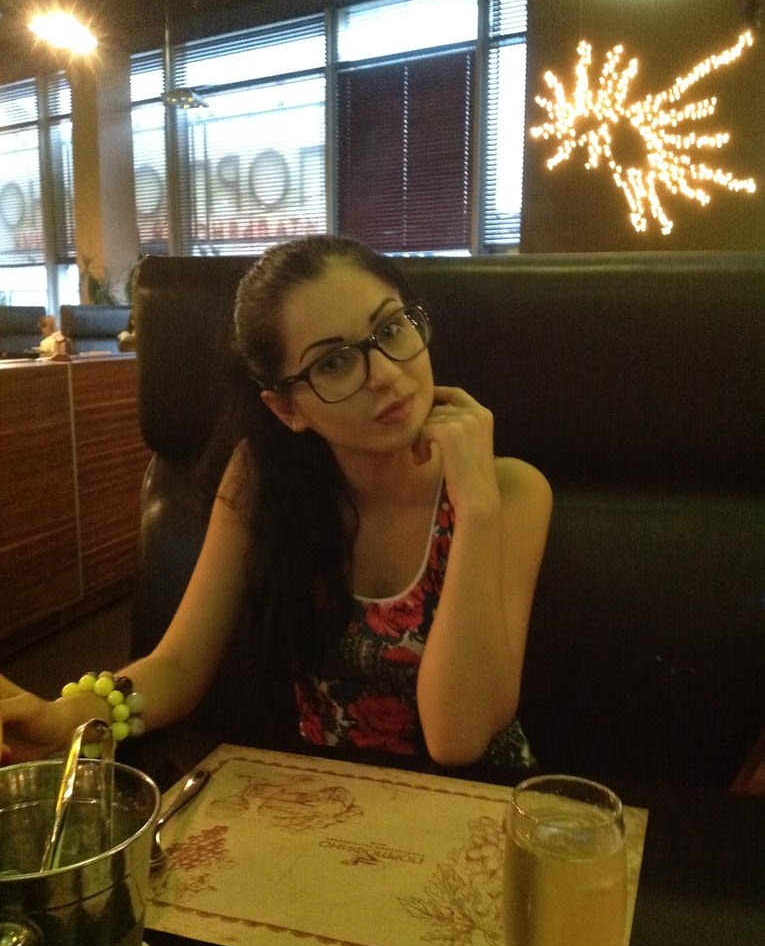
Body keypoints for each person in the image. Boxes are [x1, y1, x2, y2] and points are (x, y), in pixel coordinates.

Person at [0, 234, 552, 770]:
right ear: (287, 409)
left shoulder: (509, 492)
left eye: (390, 328)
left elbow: (458, 739)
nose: (386, 374)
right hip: (321, 799)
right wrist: (63, 718)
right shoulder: (265, 479)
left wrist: (476, 508)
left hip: (482, 803)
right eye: (332, 363)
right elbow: (178, 666)